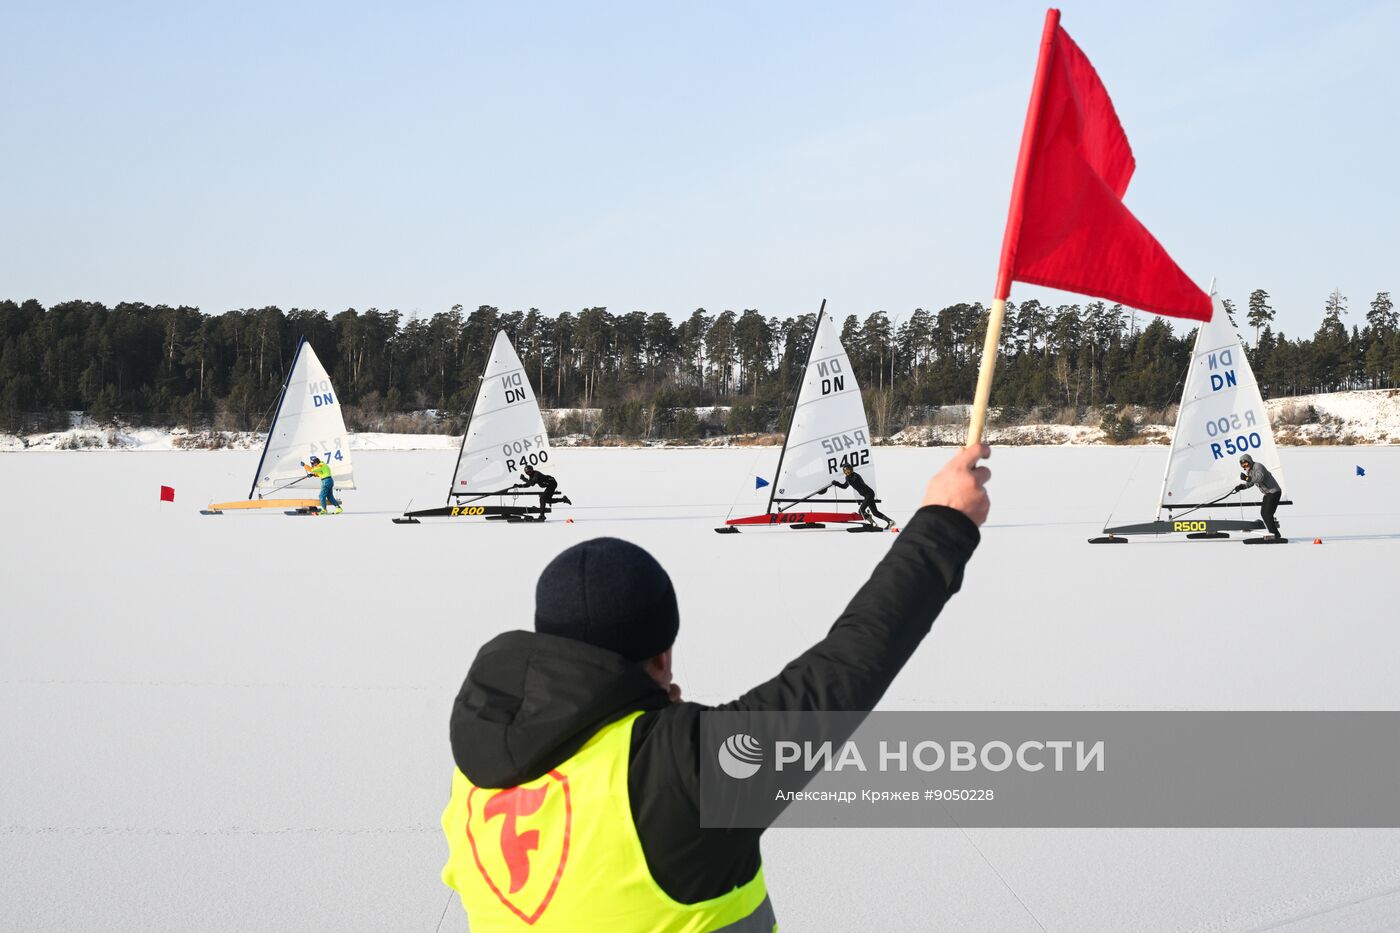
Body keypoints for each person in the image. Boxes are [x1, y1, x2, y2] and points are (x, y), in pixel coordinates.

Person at [440, 444, 992, 931]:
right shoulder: (686, 770)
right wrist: (943, 524)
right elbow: (844, 671)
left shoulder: (474, 779)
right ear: (661, 655)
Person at [829, 464, 894, 529]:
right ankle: (890, 521)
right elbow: (844, 486)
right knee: (875, 512)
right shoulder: (848, 477)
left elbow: (854, 482)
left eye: (848, 470)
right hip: (867, 495)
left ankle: (873, 523)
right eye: (845, 471)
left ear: (851, 470)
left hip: (869, 494)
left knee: (861, 510)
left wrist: (848, 480)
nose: (846, 472)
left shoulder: (855, 476)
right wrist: (836, 483)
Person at [1233, 452, 1282, 538]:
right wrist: (1242, 486)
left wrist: (1247, 478)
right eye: (1243, 466)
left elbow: (1259, 478)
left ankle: (1275, 535)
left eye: (1246, 464)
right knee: (1264, 513)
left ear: (1250, 461)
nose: (1245, 467)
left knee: (1267, 514)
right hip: (1268, 494)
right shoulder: (1250, 471)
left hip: (1274, 492)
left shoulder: (1258, 466)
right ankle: (1273, 533)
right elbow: (1251, 483)